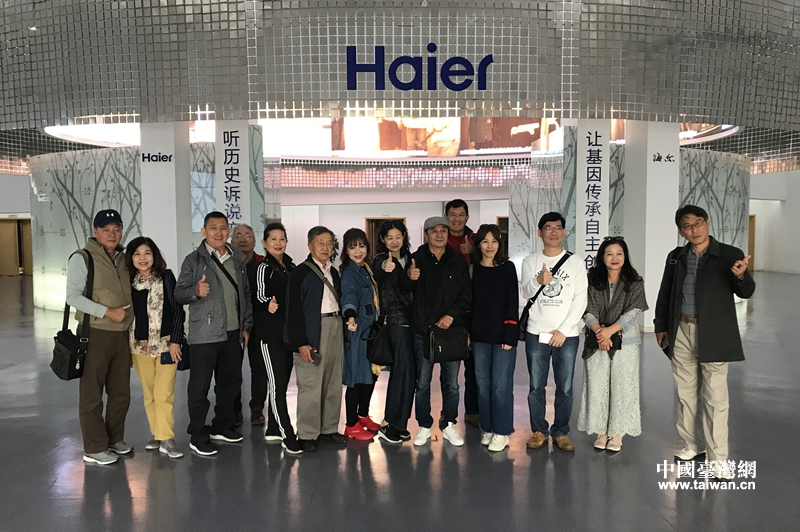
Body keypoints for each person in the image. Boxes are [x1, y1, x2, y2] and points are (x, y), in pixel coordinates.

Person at [655, 205, 755, 479]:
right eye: (687, 226)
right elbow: (665, 292)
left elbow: (747, 292)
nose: (694, 230)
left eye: (698, 223)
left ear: (707, 223)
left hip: (714, 333)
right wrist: (660, 326)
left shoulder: (729, 255)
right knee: (686, 395)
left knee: (715, 398)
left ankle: (718, 459)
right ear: (681, 231)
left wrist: (741, 276)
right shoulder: (676, 257)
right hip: (681, 330)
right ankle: (693, 445)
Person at [174, 211, 253, 457]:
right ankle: (198, 434)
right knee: (199, 387)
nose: (219, 232)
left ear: (228, 231)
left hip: (233, 332)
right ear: (204, 231)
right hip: (205, 334)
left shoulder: (237, 259)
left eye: (223, 228)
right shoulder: (193, 260)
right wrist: (195, 291)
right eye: (213, 228)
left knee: (230, 383)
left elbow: (246, 294)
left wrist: (246, 326)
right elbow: (179, 293)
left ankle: (222, 426)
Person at [66, 209, 134, 465]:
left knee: (121, 393)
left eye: (116, 229)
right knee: (92, 395)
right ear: (95, 232)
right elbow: (72, 296)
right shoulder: (82, 258)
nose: (112, 234)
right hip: (95, 334)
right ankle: (94, 448)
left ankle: (115, 439)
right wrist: (107, 312)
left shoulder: (124, 258)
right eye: (106, 229)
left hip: (122, 336)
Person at [399, 216, 471, 447]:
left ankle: (449, 423)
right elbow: (403, 290)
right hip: (423, 331)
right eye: (434, 231)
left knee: (452, 384)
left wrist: (451, 316)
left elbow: (466, 294)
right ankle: (424, 425)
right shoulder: (416, 259)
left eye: (443, 230)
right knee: (422, 383)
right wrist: (409, 278)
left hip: (451, 330)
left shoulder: (457, 260)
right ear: (426, 234)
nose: (439, 234)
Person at [520, 212, 587, 452]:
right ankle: (539, 430)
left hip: (566, 336)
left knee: (565, 387)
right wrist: (538, 281)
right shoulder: (530, 261)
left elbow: (580, 299)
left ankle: (560, 431)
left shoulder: (576, 262)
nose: (553, 232)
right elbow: (525, 292)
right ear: (540, 233)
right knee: (536, 387)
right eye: (548, 228)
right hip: (536, 333)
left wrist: (565, 330)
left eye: (558, 228)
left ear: (564, 232)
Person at [577, 237, 648, 452]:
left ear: (625, 256)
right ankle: (601, 430)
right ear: (602, 257)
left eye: (619, 253)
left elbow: (634, 310)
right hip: (597, 340)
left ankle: (617, 433)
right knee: (597, 384)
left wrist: (610, 330)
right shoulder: (591, 280)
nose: (614, 258)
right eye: (609, 253)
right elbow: (585, 308)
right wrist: (600, 331)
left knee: (622, 385)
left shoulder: (634, 281)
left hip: (626, 342)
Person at [285, 226, 346, 452]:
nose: (325, 247)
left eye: (329, 243)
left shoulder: (334, 272)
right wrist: (300, 342)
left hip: (335, 326)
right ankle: (308, 434)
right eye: (320, 243)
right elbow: (293, 311)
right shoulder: (300, 273)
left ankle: (329, 428)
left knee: (333, 380)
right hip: (313, 331)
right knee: (310, 384)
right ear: (310, 246)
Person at [125, 236, 185, 459]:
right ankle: (157, 434)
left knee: (163, 393)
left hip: (166, 345)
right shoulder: (128, 281)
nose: (142, 258)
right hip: (138, 348)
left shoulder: (166, 277)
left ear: (154, 256)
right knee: (149, 395)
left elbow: (177, 311)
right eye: (137, 254)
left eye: (147, 253)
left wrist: (176, 341)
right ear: (131, 258)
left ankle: (167, 438)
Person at [469, 224, 519, 452]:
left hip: (503, 337)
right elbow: (469, 304)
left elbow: (512, 302)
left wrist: (510, 333)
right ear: (478, 244)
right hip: (479, 336)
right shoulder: (473, 270)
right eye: (485, 241)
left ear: (500, 244)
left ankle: (502, 431)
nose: (490, 246)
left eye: (494, 241)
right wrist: (467, 333)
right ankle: (487, 428)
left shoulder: (507, 268)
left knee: (501, 386)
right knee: (483, 385)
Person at [254, 222, 303, 455]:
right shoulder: (264, 268)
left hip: (287, 336)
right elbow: (259, 294)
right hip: (270, 336)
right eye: (273, 239)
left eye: (282, 238)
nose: (278, 243)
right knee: (277, 385)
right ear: (264, 243)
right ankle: (287, 434)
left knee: (282, 383)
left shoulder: (290, 266)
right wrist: (268, 304)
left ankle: (273, 428)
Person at [373, 220, 415, 444]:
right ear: (383, 240)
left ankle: (400, 424)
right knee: (402, 372)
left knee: (409, 373)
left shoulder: (410, 258)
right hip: (397, 322)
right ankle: (388, 423)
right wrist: (385, 267)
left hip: (412, 322)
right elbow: (378, 268)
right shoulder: (382, 259)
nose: (394, 241)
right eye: (389, 237)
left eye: (398, 236)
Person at [340, 228, 382, 441]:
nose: (358, 251)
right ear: (346, 250)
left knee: (371, 376)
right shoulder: (349, 273)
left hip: (371, 333)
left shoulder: (367, 268)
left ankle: (363, 414)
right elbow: (348, 296)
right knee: (356, 379)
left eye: (361, 246)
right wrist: (350, 316)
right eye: (352, 247)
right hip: (357, 332)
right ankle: (351, 424)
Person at [445, 199, 479, 427]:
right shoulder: (440, 238)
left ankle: (473, 411)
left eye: (461, 214)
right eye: (453, 214)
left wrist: (473, 252)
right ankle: (447, 412)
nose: (456, 218)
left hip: (474, 311)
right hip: (450, 313)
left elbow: (491, 261)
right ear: (446, 217)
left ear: (467, 217)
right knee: (448, 366)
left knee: (473, 365)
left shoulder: (476, 239)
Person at [231, 223, 265, 427]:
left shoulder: (262, 264)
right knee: (232, 369)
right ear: (231, 240)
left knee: (259, 369)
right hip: (234, 324)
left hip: (259, 325)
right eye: (238, 236)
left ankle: (257, 409)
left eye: (247, 235)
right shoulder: (227, 264)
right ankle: (234, 410)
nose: (243, 239)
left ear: (255, 240)